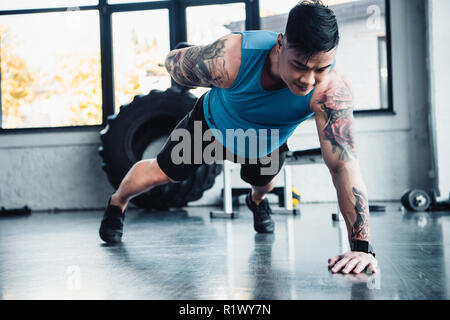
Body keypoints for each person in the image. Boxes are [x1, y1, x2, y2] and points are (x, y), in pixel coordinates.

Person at [99, 0, 378, 275]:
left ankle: (256, 202)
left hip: (266, 142)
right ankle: (118, 202)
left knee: (264, 184)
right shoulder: (232, 59)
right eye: (299, 66)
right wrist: (191, 59)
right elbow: (173, 64)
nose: (308, 80)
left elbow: (344, 165)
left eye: (320, 68)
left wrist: (362, 247)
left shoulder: (330, 92)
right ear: (279, 44)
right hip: (210, 126)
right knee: (160, 173)